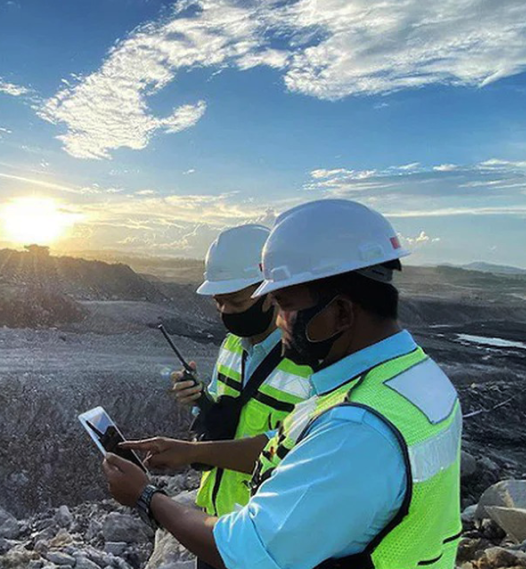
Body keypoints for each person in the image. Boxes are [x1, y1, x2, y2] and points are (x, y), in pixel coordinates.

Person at [104, 199, 463, 569]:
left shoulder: (356, 428)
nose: (279, 322)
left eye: (284, 305)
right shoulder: (413, 377)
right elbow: (283, 447)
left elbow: (243, 552)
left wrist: (146, 497)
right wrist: (195, 440)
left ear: (341, 312)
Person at [171, 225, 312, 526]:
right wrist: (199, 401)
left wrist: (189, 453)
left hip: (269, 531)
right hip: (219, 518)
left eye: (236, 302)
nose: (225, 311)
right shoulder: (232, 345)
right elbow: (227, 411)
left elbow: (296, 454)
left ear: (272, 292)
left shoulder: (311, 363)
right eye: (218, 302)